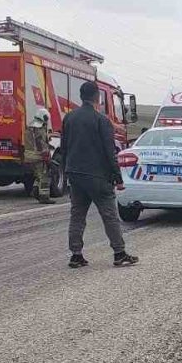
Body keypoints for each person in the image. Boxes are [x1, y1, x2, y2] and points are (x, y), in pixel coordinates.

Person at [59, 80, 139, 269]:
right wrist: (118, 179)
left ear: (81, 97)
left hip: (75, 175)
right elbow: (109, 152)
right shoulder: (101, 120)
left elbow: (64, 148)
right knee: (109, 215)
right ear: (97, 97)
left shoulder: (69, 118)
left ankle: (76, 255)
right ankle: (119, 254)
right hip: (98, 177)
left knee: (77, 215)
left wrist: (67, 171)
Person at [23, 106, 53, 204]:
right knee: (44, 176)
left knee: (38, 175)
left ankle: (35, 191)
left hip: (28, 156)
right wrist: (47, 156)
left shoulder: (30, 127)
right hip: (38, 156)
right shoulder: (40, 129)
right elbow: (41, 144)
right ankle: (44, 197)